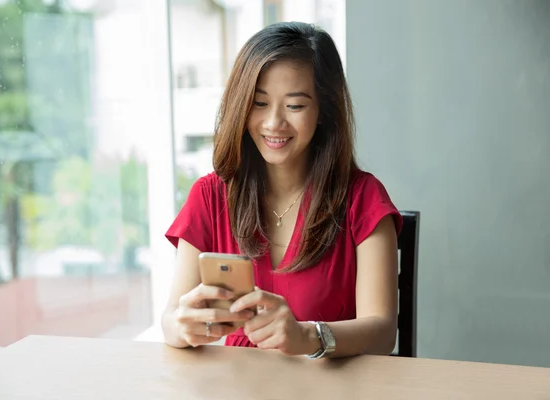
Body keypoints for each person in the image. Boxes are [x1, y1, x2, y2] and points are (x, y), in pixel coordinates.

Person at [161, 21, 402, 359]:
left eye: (295, 106)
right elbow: (171, 320)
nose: (274, 123)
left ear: (323, 111)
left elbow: (382, 332)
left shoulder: (363, 198)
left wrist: (309, 336)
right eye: (259, 103)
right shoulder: (210, 195)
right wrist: (183, 326)